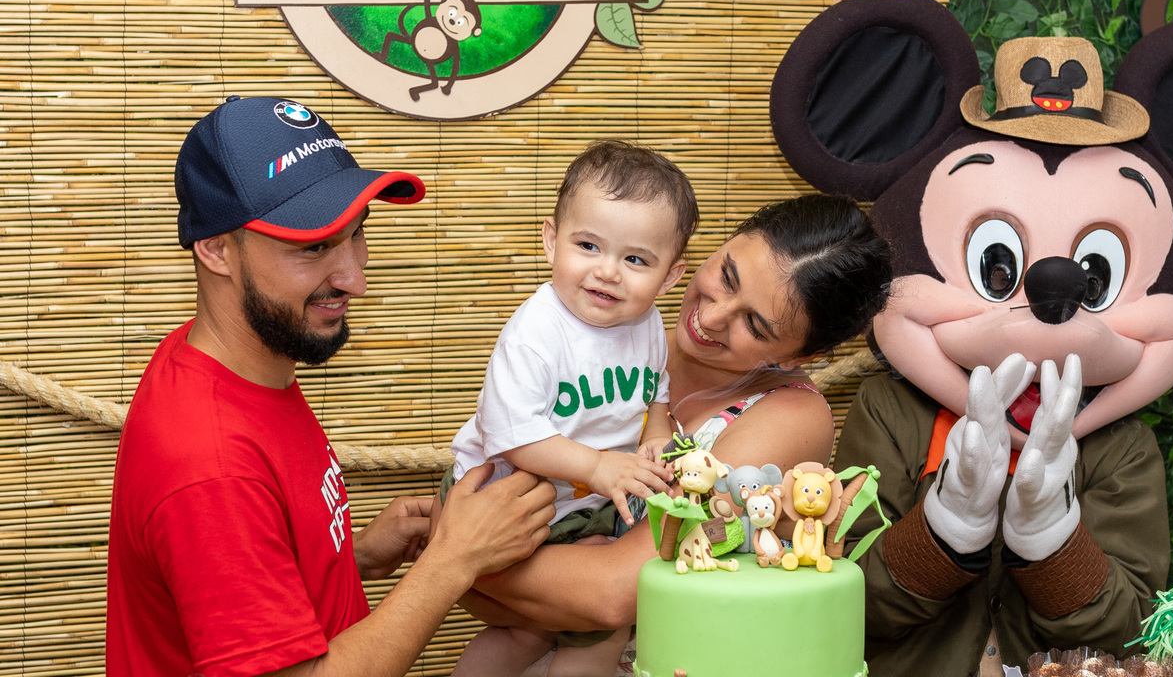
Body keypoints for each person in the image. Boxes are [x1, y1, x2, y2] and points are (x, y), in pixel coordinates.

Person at [105, 96, 557, 677]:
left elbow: (231, 579)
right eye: (313, 247)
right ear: (217, 249)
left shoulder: (227, 362)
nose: (354, 279)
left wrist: (348, 557)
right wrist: (451, 562)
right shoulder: (209, 466)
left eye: (355, 234)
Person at [453, 193, 893, 661]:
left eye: (754, 325)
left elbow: (613, 594)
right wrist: (464, 551)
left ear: (800, 355)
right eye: (727, 276)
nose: (711, 318)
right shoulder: (628, 343)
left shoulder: (790, 417)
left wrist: (454, 553)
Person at [449, 140, 696, 677]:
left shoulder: (648, 323)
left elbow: (655, 390)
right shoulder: (536, 334)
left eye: (635, 259)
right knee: (584, 633)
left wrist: (656, 432)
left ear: (670, 277)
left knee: (541, 634)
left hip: (575, 500)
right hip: (498, 497)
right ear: (550, 240)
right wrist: (599, 466)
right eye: (587, 246)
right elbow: (515, 437)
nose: (608, 272)